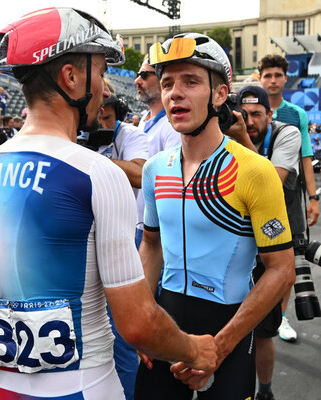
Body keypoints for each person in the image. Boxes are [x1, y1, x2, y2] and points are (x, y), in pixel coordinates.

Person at [0, 9, 218, 400]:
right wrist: (195, 349)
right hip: (83, 387)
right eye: (100, 73)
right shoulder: (96, 172)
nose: (104, 89)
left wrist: (16, 324)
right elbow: (137, 323)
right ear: (71, 77)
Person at [134, 33, 296, 400]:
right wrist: (145, 321)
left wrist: (219, 348)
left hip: (230, 329)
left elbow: (282, 269)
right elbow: (152, 244)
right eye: (167, 83)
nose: (175, 93)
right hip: (166, 322)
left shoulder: (255, 170)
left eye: (191, 82)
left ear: (220, 95)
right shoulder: (156, 168)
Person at [227, 85, 302, 400]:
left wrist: (241, 137)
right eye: (244, 114)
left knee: (264, 332)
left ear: (271, 115)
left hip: (274, 243)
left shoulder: (288, 134)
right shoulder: (223, 133)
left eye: (257, 114)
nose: (250, 120)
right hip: (238, 246)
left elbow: (272, 179)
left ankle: (266, 392)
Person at [258, 54, 319, 342]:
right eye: (267, 75)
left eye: (277, 75)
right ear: (260, 79)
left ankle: (279, 317)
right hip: (253, 199)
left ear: (285, 78)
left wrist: (314, 197)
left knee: (287, 263)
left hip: (290, 198)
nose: (272, 80)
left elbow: (306, 157)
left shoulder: (297, 114)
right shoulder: (248, 107)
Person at [97, 91, 148, 400]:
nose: (101, 122)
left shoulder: (131, 134)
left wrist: (95, 158)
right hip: (83, 243)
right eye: (97, 116)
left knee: (121, 334)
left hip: (122, 240)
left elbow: (141, 173)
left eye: (108, 116)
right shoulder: (72, 133)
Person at [134, 57, 181, 247]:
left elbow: (170, 183)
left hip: (158, 230)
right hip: (140, 224)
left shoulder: (172, 126)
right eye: (138, 75)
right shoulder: (145, 117)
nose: (137, 80)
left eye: (144, 75)